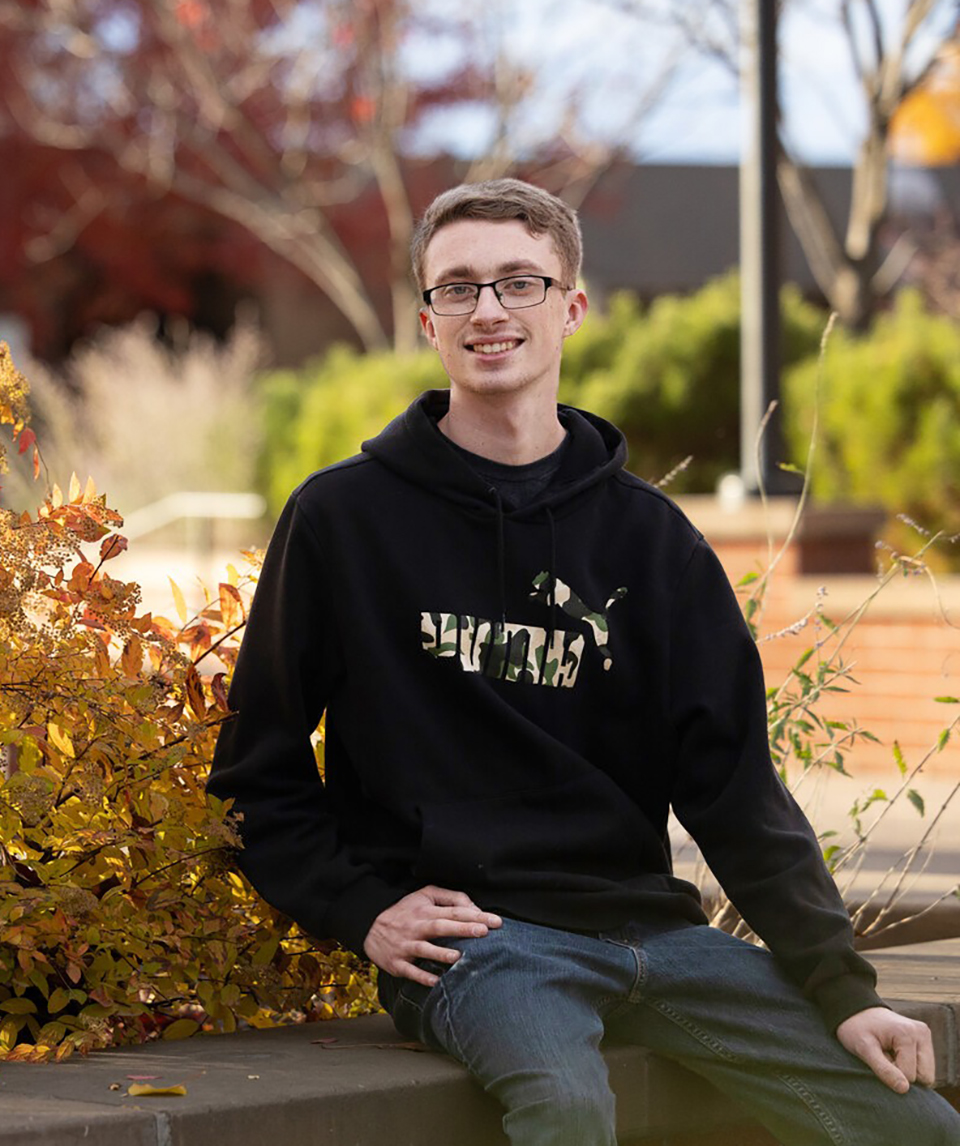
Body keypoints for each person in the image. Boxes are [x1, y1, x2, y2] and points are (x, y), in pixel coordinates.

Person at [207, 178, 960, 1145]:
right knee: (565, 1106)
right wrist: (366, 913)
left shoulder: (654, 543)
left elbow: (735, 792)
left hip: (662, 939)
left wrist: (844, 988)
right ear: (427, 320)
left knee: (914, 1124)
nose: (488, 310)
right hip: (484, 947)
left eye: (519, 283)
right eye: (458, 288)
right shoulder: (344, 521)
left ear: (571, 308)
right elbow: (255, 774)